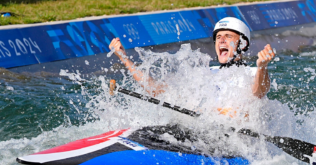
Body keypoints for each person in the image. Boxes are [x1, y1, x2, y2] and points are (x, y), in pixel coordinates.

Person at [109, 17, 275, 100]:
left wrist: (262, 67)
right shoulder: (204, 74)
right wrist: (125, 59)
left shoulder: (252, 72)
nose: (221, 40)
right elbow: (157, 91)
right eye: (218, 37)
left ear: (243, 44)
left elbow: (258, 93)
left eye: (228, 36)